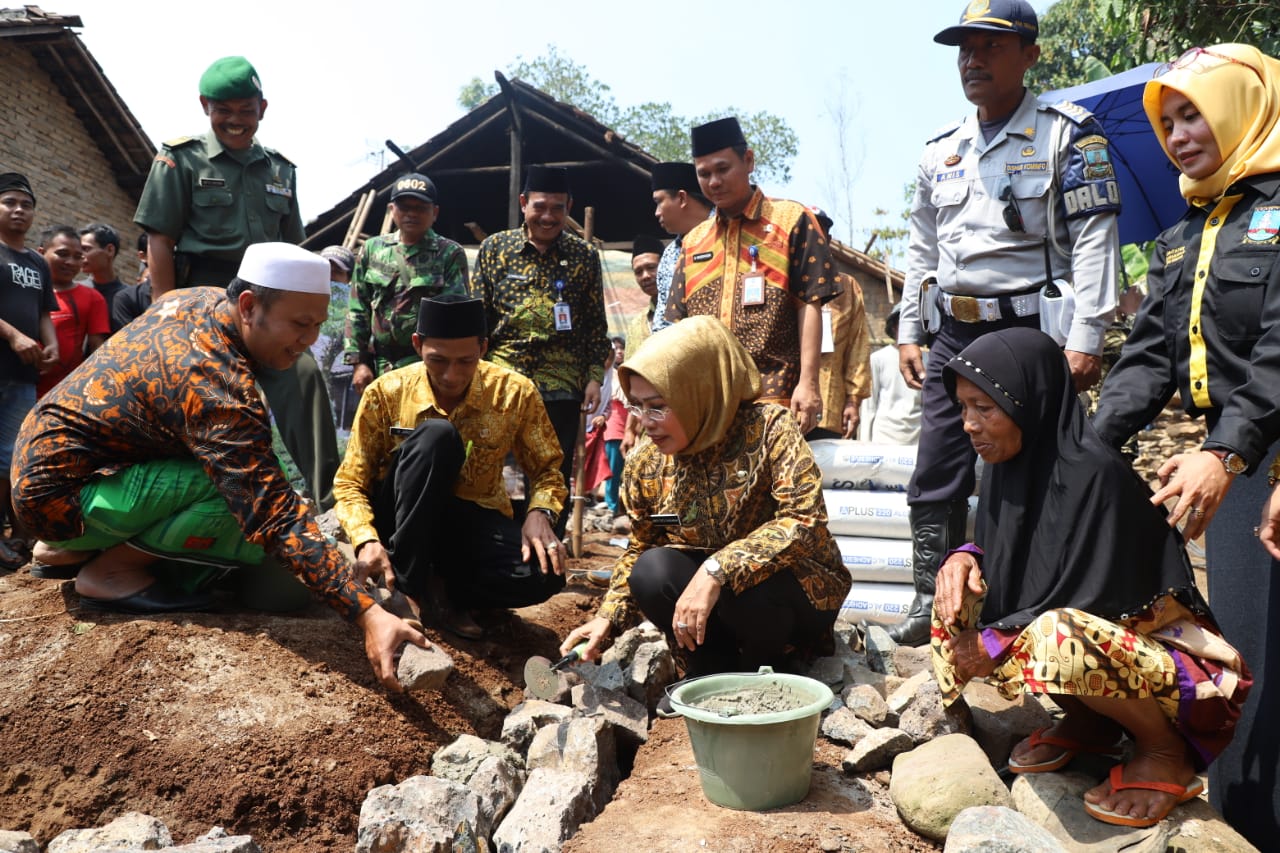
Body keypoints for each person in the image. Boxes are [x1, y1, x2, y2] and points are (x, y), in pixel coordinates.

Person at [9, 242, 424, 691]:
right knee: (239, 506)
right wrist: (367, 613)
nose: (308, 342)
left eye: (318, 326)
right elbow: (271, 510)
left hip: (50, 477)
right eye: (300, 325)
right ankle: (109, 572)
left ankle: (67, 547)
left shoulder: (198, 300)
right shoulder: (215, 384)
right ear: (249, 306)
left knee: (244, 487)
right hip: (64, 498)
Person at [933, 328, 1248, 829]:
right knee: (956, 589)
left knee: (1058, 637)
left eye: (983, 408)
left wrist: (996, 636)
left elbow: (1091, 603)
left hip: (1181, 677)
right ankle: (1091, 723)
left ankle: (1163, 752)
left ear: (1028, 401)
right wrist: (966, 557)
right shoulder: (1008, 466)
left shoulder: (1093, 474)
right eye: (963, 407)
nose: (969, 424)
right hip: (1109, 651)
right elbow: (1015, 563)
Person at [890, 0, 1122, 646]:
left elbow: (1097, 237)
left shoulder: (1068, 133)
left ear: (1031, 55)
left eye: (991, 46)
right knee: (937, 460)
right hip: (954, 329)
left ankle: (1032, 591)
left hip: (1027, 332)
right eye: (965, 48)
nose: (973, 59)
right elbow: (921, 246)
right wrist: (911, 327)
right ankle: (927, 597)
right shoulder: (941, 149)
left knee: (1035, 465)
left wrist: (1086, 337)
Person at [1093, 44, 1280, 845]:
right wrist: (1083, 450)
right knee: (1249, 669)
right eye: (1166, 120)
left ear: (1242, 106)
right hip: (1238, 462)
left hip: (1256, 455)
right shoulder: (1183, 235)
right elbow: (1145, 361)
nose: (1178, 133)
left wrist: (1226, 451)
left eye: (1194, 112)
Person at [560, 316, 851, 686]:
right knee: (651, 571)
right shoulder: (646, 464)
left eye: (659, 406)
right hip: (716, 603)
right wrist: (608, 617)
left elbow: (804, 520)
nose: (646, 422)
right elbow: (642, 546)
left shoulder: (768, 429)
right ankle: (712, 674)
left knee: (752, 587)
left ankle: (774, 670)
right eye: (638, 406)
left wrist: (718, 568)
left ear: (697, 392)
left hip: (789, 596)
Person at [133, 55, 339, 511]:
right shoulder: (179, 158)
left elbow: (295, 250)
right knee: (196, 399)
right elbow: (160, 240)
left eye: (246, 110)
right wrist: (164, 311)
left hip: (267, 304)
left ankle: (331, 503)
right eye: (224, 110)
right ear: (206, 106)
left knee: (302, 375)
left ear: (262, 109)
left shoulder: (282, 170)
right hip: (199, 298)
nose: (236, 120)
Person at [333, 294, 568, 640]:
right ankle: (408, 588)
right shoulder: (387, 391)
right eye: (438, 360)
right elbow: (350, 482)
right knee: (437, 436)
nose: (450, 375)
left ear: (484, 348)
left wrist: (539, 512)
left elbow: (548, 468)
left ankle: (447, 591)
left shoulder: (514, 393)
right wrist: (365, 539)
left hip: (468, 523)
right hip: (399, 521)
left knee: (546, 573)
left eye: (465, 361)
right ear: (417, 344)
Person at [666, 117, 839, 434]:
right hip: (708, 403)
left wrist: (809, 383)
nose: (714, 181)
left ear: (748, 160)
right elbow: (679, 327)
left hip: (775, 396)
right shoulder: (693, 242)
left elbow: (810, 304)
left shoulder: (793, 220)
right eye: (704, 174)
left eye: (722, 169)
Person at [472, 165, 609, 511]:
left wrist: (594, 377)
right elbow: (477, 320)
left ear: (569, 207)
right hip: (501, 379)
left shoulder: (584, 256)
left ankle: (544, 554)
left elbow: (595, 325)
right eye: (540, 206)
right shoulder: (494, 249)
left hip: (561, 383)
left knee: (552, 474)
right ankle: (492, 548)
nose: (548, 216)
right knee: (484, 468)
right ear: (523, 203)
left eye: (558, 208)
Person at [343, 172, 469, 394]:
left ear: (435, 213)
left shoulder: (449, 254)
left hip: (426, 366)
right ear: (392, 210)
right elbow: (357, 309)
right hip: (379, 365)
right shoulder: (372, 249)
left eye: (420, 208)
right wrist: (358, 363)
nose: (412, 214)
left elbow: (455, 317)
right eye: (404, 207)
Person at [0, 172, 57, 571]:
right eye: (10, 202)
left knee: (10, 458)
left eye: (26, 204)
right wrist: (14, 337)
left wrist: (49, 341)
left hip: (22, 378)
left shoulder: (37, 261)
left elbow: (43, 311)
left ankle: (15, 535)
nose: (19, 210)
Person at [808, 207, 870, 440]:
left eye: (818, 233)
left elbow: (858, 349)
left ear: (828, 240)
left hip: (832, 413)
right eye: (806, 234)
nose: (811, 240)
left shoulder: (847, 288)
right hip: (786, 412)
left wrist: (853, 401)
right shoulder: (781, 284)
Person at [36, 225, 109, 398]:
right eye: (62, 254)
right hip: (13, 381)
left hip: (57, 394)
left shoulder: (93, 298)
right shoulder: (26, 287)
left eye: (78, 257)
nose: (70, 262)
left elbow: (97, 349)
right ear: (41, 253)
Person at [650, 161, 713, 334]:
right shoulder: (670, 254)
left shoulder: (728, 234)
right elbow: (663, 323)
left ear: (682, 198)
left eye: (659, 201)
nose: (657, 212)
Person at [860, 303, 923, 445]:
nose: (909, 331)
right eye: (904, 325)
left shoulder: (927, 360)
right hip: (884, 436)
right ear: (894, 327)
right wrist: (865, 442)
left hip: (917, 435)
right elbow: (869, 405)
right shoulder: (878, 359)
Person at [78, 223, 127, 333]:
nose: (80, 255)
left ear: (110, 250)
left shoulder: (129, 298)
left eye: (86, 249)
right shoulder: (75, 290)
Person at [626, 235, 663, 351]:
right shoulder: (636, 326)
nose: (645, 276)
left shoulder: (688, 310)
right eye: (638, 272)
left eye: (651, 267)